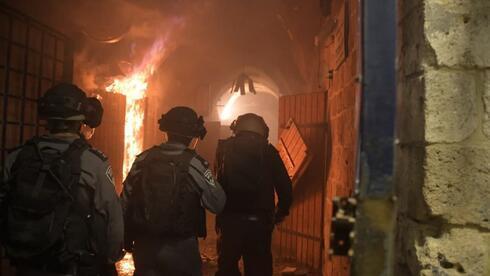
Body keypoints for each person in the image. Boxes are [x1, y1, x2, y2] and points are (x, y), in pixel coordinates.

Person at [0, 83, 124, 275]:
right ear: (81, 120)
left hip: (25, 263)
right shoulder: (93, 162)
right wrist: (109, 259)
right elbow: (112, 217)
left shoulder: (16, 157)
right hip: (69, 265)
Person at [122, 106, 226, 276]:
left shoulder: (143, 158)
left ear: (166, 132)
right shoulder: (195, 163)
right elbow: (217, 203)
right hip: (181, 247)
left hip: (145, 246)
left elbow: (124, 202)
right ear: (192, 136)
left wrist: (126, 236)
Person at [215, 113, 293, 276]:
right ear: (263, 131)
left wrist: (219, 216)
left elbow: (217, 184)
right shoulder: (269, 152)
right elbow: (285, 187)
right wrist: (280, 212)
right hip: (259, 222)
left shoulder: (224, 149)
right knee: (259, 267)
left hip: (230, 220)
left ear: (237, 128)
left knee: (227, 267)